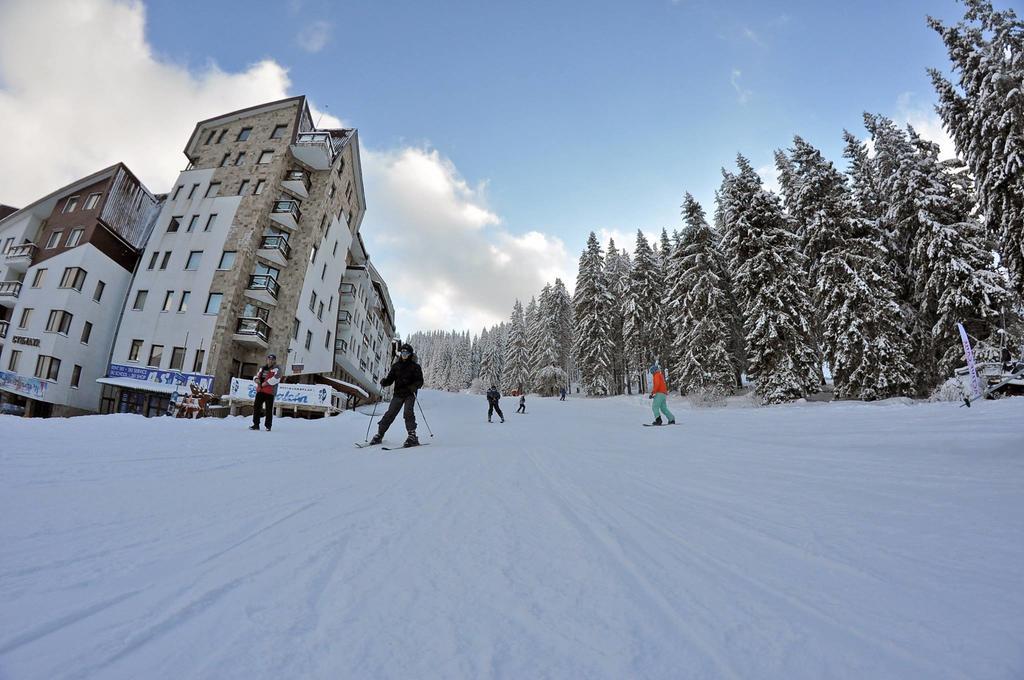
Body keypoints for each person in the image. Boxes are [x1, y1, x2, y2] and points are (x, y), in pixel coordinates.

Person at [369, 343, 424, 447]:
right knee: (390, 413)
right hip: (398, 394)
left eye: (406, 352)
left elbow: (420, 381)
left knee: (408, 412)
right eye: (402, 352)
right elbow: (390, 379)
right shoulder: (396, 366)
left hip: (410, 393)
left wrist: (414, 386)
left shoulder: (415, 367)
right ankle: (379, 434)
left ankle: (412, 436)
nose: (404, 354)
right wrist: (385, 382)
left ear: (410, 354)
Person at [250, 353, 281, 431]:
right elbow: (256, 375)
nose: (270, 361)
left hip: (270, 392)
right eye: (269, 359)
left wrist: (266, 383)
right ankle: (256, 424)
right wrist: (256, 379)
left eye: (272, 359)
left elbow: (276, 379)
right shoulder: (262, 368)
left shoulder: (277, 369)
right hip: (260, 390)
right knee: (256, 407)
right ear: (267, 360)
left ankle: (268, 426)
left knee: (268, 409)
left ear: (274, 361)